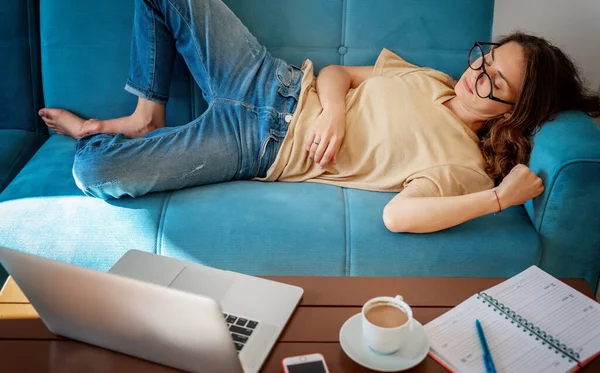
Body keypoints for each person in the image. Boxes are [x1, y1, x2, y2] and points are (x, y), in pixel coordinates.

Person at [38, 0, 600, 233]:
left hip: (255, 145)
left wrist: (501, 197)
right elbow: (341, 75)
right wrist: (332, 113)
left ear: (512, 113)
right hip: (270, 80)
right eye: (487, 57)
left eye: (496, 81)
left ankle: (111, 139)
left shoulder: (463, 166)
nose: (478, 72)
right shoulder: (433, 79)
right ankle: (145, 115)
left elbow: (399, 218)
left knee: (92, 173)